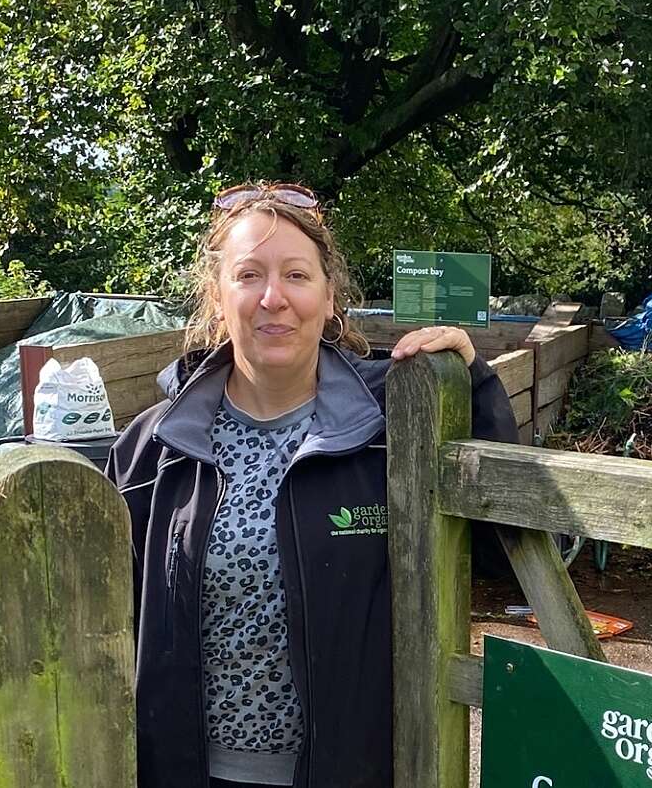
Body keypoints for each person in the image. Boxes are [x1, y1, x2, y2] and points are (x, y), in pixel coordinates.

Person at [103, 182, 518, 788]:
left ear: (329, 299)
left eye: (296, 275)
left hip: (351, 772)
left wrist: (474, 388)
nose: (274, 298)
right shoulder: (154, 448)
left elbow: (509, 552)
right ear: (219, 298)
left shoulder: (392, 428)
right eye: (249, 276)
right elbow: (94, 624)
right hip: (184, 773)